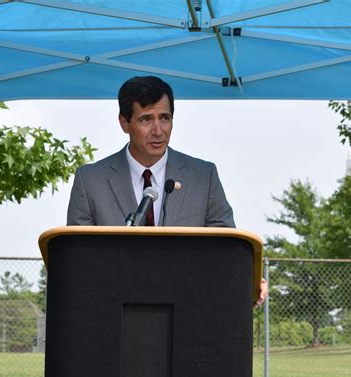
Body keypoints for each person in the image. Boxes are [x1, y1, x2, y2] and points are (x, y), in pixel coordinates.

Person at [67, 75, 267, 306]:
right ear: (124, 122)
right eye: (146, 120)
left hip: (189, 313)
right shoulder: (90, 180)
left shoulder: (204, 176)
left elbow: (225, 250)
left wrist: (247, 279)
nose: (158, 130)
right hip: (114, 313)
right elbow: (77, 262)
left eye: (165, 118)